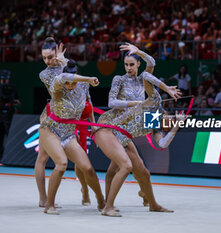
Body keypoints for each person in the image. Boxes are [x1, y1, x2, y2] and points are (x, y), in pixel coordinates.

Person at [95, 55, 181, 217]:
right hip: (111, 126)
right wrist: (167, 89)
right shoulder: (123, 81)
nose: (129, 68)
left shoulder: (154, 120)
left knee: (142, 172)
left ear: (138, 64)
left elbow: (162, 144)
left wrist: (175, 126)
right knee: (124, 167)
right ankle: (107, 205)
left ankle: (152, 204)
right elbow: (112, 103)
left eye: (132, 64)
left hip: (123, 136)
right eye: (127, 64)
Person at [36, 38, 93, 207]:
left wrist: (64, 61)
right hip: (51, 117)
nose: (47, 61)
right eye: (44, 58)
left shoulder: (64, 64)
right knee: (43, 158)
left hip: (67, 119)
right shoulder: (44, 74)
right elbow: (62, 81)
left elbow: (75, 77)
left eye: (51, 56)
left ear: (57, 53)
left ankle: (86, 192)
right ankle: (43, 198)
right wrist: (62, 62)